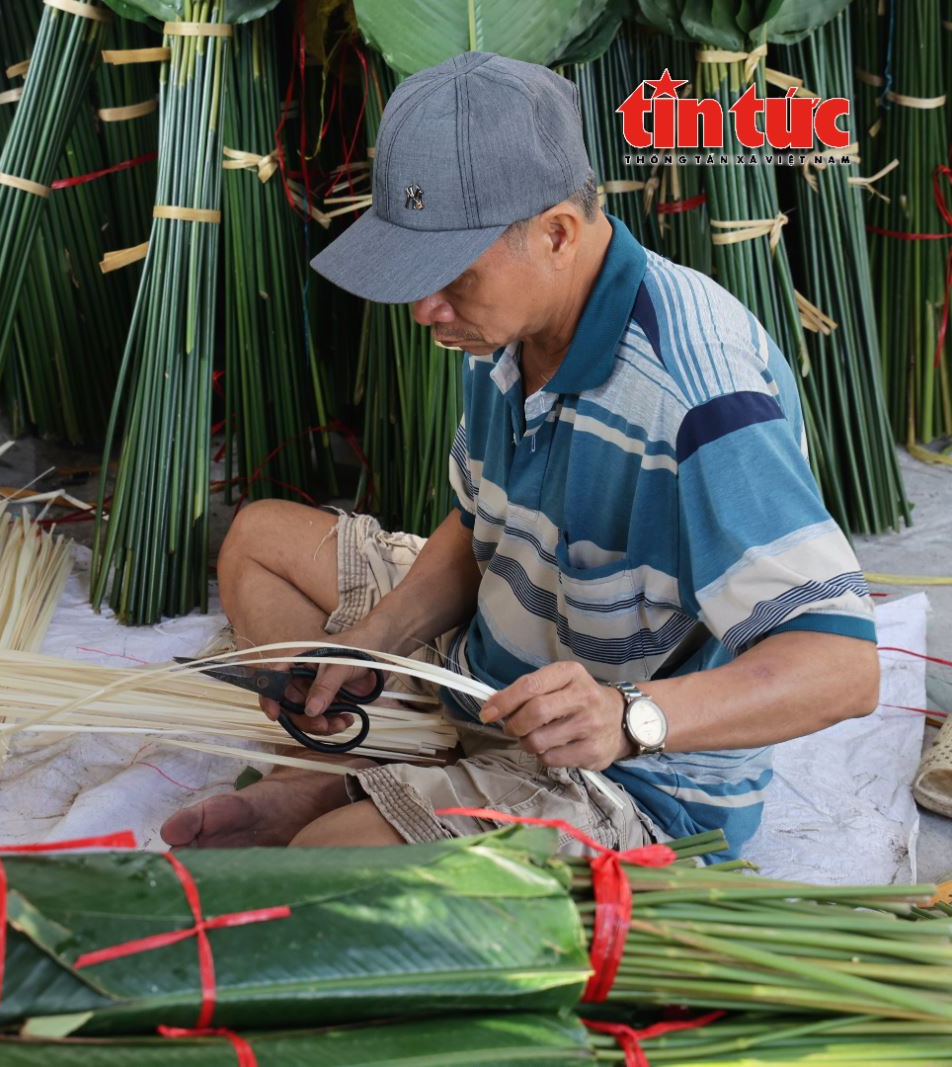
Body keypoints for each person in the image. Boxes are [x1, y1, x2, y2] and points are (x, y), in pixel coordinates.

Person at [160, 52, 880, 858]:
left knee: (324, 860)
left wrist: (630, 715)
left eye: (450, 278)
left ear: (557, 234)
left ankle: (348, 793)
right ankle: (353, 778)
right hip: (495, 671)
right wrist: (377, 639)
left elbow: (842, 666)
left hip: (632, 771)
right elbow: (481, 525)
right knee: (257, 540)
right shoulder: (500, 325)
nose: (425, 311)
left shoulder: (698, 396)